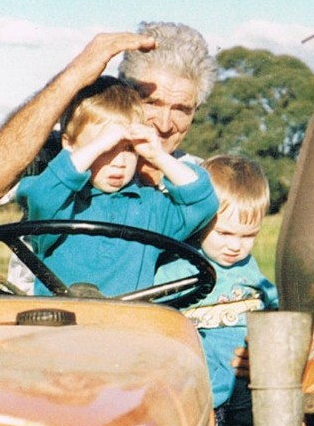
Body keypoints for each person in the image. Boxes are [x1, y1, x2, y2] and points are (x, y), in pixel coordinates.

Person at [156, 155, 278, 426]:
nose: (235, 246)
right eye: (224, 233)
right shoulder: (175, 271)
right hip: (196, 395)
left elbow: (279, 313)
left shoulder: (253, 274)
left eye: (248, 236)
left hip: (240, 388)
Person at [15, 78, 218, 296]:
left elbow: (203, 202)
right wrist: (98, 145)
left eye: (129, 149)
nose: (119, 162)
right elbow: (41, 195)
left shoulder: (151, 210)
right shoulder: (59, 205)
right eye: (106, 149)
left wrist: (157, 154)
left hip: (125, 326)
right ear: (68, 143)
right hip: (58, 323)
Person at [0, 23, 217, 203]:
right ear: (124, 96)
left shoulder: (201, 179)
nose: (164, 125)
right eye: (151, 102)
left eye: (181, 109)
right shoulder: (66, 153)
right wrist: (74, 77)